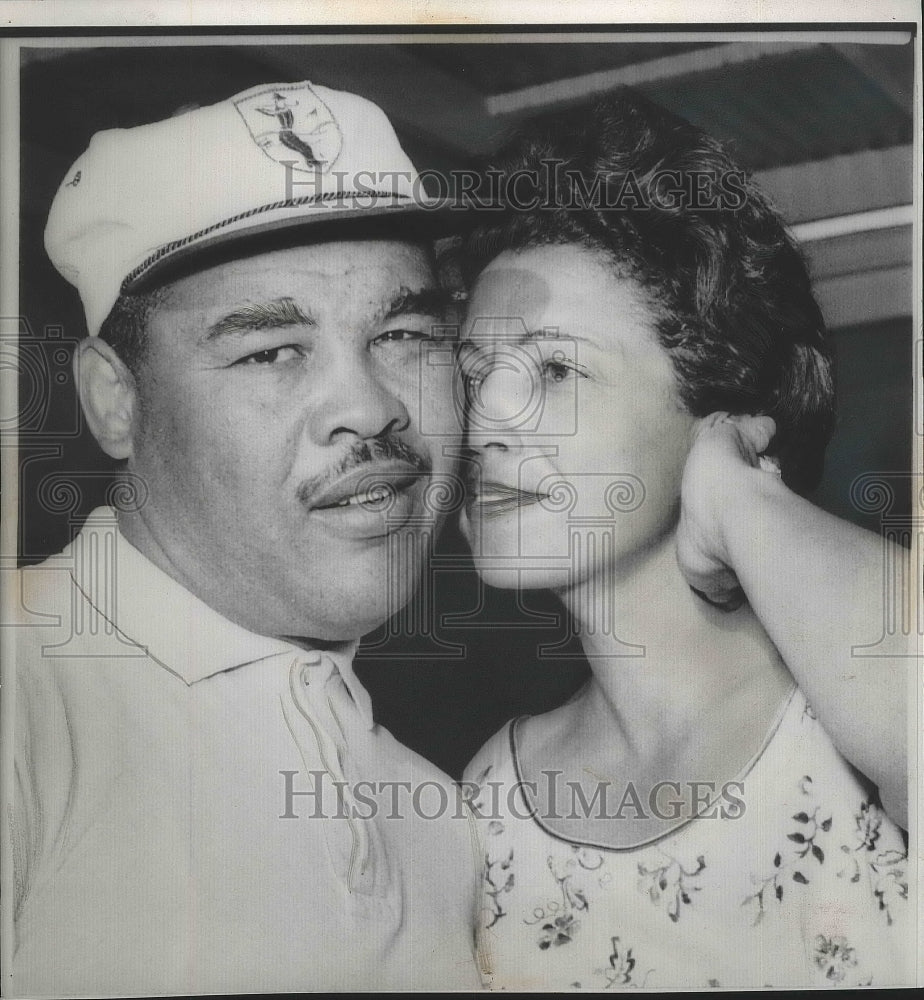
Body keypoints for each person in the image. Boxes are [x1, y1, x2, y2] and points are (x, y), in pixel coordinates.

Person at [8, 81, 485, 995]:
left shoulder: (439, 819)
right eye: (272, 351)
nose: (371, 408)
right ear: (116, 399)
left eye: (405, 332)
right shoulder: (24, 705)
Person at [457, 92, 914, 990]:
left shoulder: (856, 730)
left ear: (722, 405)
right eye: (475, 375)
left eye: (555, 368)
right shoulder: (488, 803)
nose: (483, 427)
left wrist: (736, 493)